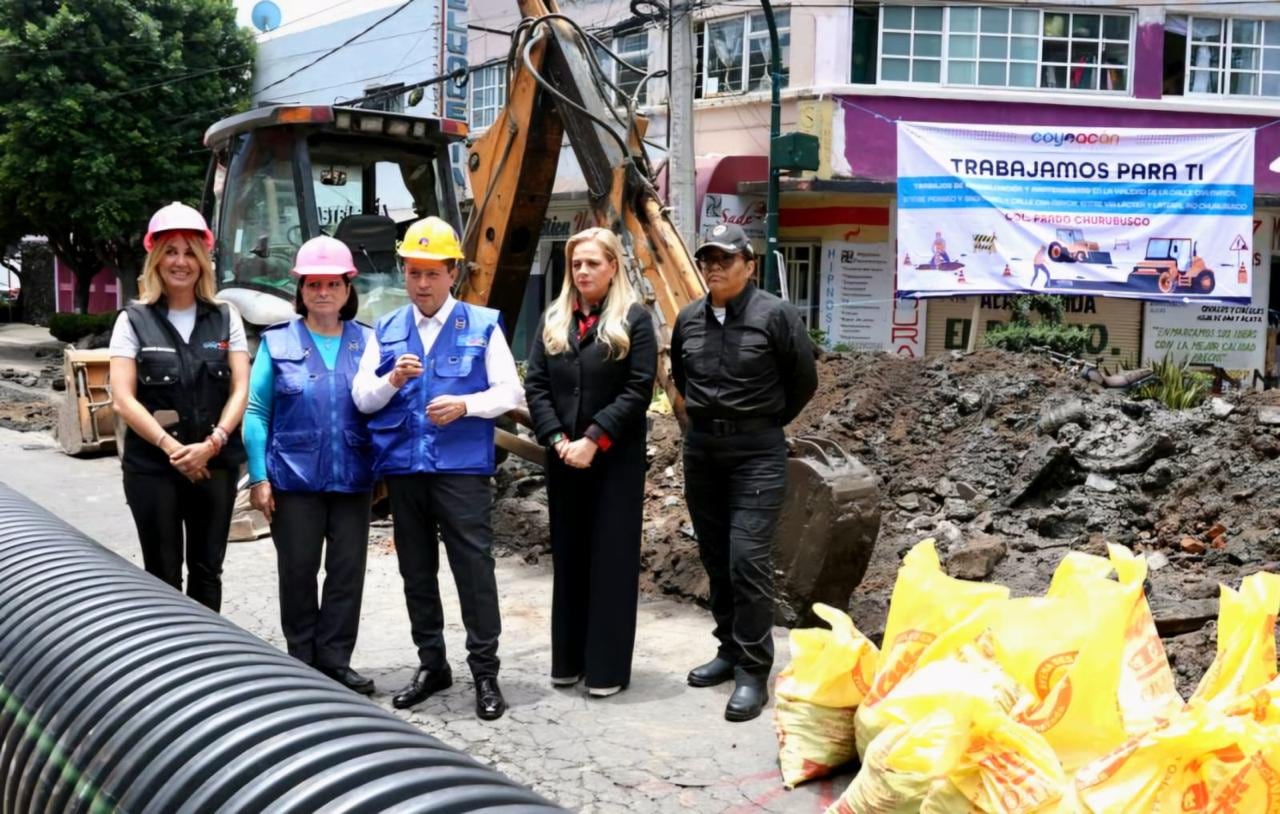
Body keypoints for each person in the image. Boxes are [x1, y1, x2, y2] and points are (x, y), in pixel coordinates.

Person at [352, 215, 522, 721]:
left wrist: (466, 406)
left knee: (474, 571)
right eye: (413, 272)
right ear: (403, 272)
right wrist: (391, 384)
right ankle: (432, 664)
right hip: (406, 470)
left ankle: (485, 673)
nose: (422, 284)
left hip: (461, 470)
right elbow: (362, 399)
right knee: (416, 572)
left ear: (453, 273)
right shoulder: (385, 329)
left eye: (432, 273)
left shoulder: (482, 325)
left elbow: (510, 391)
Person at [671, 223, 818, 722]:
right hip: (702, 450)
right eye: (708, 259)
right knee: (716, 559)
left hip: (757, 452)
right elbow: (683, 379)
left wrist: (762, 422)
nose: (714, 267)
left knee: (746, 561)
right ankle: (729, 651)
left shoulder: (775, 315)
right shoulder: (688, 319)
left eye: (725, 259)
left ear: (749, 265)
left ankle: (755, 670)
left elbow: (803, 380)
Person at [523, 228, 657, 698]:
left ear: (613, 267)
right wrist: (558, 438)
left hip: (613, 462)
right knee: (571, 558)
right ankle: (569, 660)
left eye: (592, 264)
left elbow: (639, 388)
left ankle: (606, 668)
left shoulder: (635, 321)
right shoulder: (554, 319)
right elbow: (536, 384)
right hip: (564, 461)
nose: (582, 272)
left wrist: (593, 439)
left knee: (611, 561)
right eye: (576, 264)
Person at [244, 236, 377, 695]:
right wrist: (259, 477)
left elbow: (386, 407)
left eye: (332, 283)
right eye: (313, 283)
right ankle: (302, 660)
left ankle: (336, 662)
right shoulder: (277, 342)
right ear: (300, 290)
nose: (323, 292)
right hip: (292, 480)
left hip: (354, 478)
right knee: (298, 570)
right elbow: (256, 411)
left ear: (347, 288)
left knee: (346, 573)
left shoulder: (369, 342)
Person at [108, 201, 250, 611]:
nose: (181, 262)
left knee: (207, 571)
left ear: (204, 260)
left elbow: (240, 388)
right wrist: (174, 452)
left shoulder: (226, 317)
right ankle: (169, 670)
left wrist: (214, 442)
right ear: (155, 258)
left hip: (215, 464)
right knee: (162, 573)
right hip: (153, 468)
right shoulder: (133, 320)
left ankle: (210, 665)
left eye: (190, 252)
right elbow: (122, 397)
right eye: (171, 251)